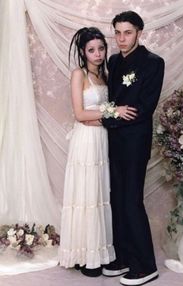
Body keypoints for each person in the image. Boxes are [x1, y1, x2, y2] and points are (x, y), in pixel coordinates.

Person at [58, 27, 137, 277]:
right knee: (85, 195)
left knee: (100, 194)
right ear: (83, 52)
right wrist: (113, 113)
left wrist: (103, 119)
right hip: (86, 142)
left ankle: (97, 253)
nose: (98, 54)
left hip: (103, 138)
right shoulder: (78, 75)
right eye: (91, 50)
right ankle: (83, 256)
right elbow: (80, 114)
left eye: (101, 48)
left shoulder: (105, 75)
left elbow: (95, 115)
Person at [101, 11, 165, 286]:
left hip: (136, 142)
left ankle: (145, 265)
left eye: (127, 32)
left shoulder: (153, 63)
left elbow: (143, 108)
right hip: (113, 141)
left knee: (131, 200)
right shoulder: (113, 61)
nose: (121, 38)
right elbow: (110, 102)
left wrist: (110, 116)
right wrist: (111, 114)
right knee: (117, 200)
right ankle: (124, 256)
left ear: (139, 32)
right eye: (117, 32)